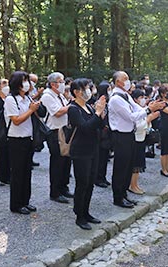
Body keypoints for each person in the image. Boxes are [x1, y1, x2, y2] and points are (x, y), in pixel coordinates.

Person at [108, 71, 164, 208]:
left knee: (128, 166)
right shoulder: (116, 98)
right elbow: (131, 116)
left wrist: (149, 107)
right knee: (121, 167)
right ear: (118, 82)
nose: (128, 81)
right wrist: (148, 110)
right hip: (120, 135)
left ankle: (124, 194)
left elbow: (137, 108)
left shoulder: (125, 95)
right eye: (125, 79)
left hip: (130, 134)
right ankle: (118, 197)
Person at [68, 78, 106, 230]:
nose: (88, 91)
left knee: (90, 183)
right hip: (80, 151)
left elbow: (98, 126)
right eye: (85, 88)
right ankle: (79, 215)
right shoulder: (73, 109)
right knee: (82, 183)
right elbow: (84, 128)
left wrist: (100, 113)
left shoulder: (89, 107)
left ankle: (86, 212)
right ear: (77, 92)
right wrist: (97, 113)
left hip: (93, 149)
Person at [4, 71, 40, 214]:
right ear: (17, 83)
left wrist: (35, 108)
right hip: (16, 140)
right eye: (24, 80)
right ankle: (16, 204)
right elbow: (16, 120)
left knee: (27, 172)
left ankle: (25, 201)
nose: (28, 84)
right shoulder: (10, 99)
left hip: (28, 138)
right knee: (18, 173)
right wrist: (31, 111)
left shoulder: (27, 98)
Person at [40, 72, 73, 204]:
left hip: (64, 129)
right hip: (54, 131)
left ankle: (64, 187)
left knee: (66, 160)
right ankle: (55, 191)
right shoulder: (47, 96)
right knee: (57, 161)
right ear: (53, 84)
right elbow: (58, 112)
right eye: (60, 81)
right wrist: (72, 106)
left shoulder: (59, 95)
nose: (63, 84)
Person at [129, 89, 160, 194]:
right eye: (141, 98)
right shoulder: (133, 110)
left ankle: (135, 184)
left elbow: (147, 127)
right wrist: (148, 119)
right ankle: (131, 185)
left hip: (142, 138)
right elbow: (136, 126)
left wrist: (149, 121)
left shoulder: (143, 109)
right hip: (135, 139)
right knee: (135, 164)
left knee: (139, 164)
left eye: (144, 97)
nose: (143, 100)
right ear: (135, 99)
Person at [95, 81, 112, 188]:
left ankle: (103, 176)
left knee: (105, 156)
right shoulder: (100, 102)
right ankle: (98, 178)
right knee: (100, 157)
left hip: (107, 132)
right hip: (102, 133)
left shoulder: (109, 100)